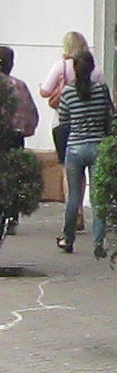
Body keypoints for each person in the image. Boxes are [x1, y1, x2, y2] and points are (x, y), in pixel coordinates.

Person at [57, 51, 114, 257]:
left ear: (74, 70)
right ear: (92, 68)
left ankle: (68, 238)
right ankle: (98, 242)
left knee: (74, 196)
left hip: (75, 147)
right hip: (99, 146)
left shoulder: (67, 92)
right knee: (98, 197)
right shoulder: (101, 90)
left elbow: (64, 120)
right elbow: (109, 115)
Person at [40, 31, 103, 164]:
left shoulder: (61, 66)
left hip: (64, 123)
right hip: (92, 125)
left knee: (66, 166)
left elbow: (44, 92)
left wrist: (60, 87)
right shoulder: (95, 69)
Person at [1, 46, 39, 236]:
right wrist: (26, 130)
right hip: (13, 137)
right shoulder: (18, 85)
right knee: (13, 176)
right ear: (11, 64)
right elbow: (30, 113)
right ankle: (11, 217)